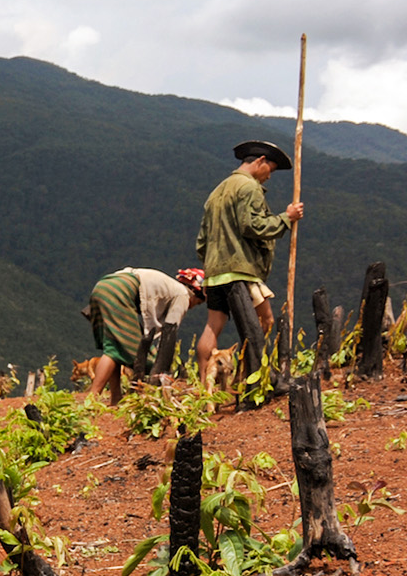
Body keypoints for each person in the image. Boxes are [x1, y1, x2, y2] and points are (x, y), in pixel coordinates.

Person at [196, 140, 303, 385]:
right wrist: (287, 218)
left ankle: (205, 386)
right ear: (260, 161)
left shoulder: (217, 191)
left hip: (214, 272)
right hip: (239, 270)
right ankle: (250, 380)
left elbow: (202, 240)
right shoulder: (248, 187)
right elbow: (253, 225)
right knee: (262, 323)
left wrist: (213, 262)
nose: (269, 176)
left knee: (212, 327)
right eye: (271, 170)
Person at [82, 267, 205, 399]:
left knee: (115, 345)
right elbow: (169, 333)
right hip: (119, 292)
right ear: (194, 292)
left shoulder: (170, 286)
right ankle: (93, 397)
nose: (192, 307)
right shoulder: (183, 295)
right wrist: (161, 369)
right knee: (114, 350)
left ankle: (116, 397)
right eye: (197, 303)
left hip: (103, 286)